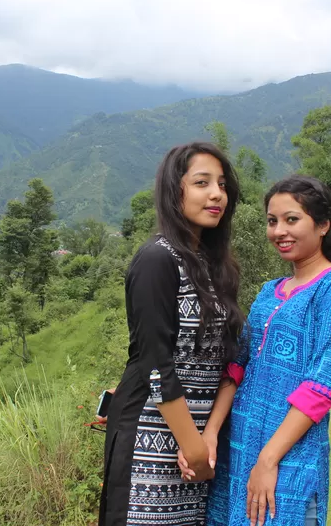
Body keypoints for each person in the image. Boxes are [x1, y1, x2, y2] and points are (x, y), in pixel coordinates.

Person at [198, 174, 331, 526]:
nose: (279, 231)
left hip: (288, 456)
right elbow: (237, 366)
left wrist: (268, 460)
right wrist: (212, 431)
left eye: (292, 220)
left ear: (322, 225)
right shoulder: (269, 291)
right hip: (238, 447)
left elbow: (324, 385)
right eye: (272, 221)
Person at [98, 141, 245, 526]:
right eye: (202, 182)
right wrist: (192, 444)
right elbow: (154, 364)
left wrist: (206, 439)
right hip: (153, 433)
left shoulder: (214, 268)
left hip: (196, 441)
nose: (217, 194)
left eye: (222, 184)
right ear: (173, 190)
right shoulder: (157, 259)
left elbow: (226, 361)